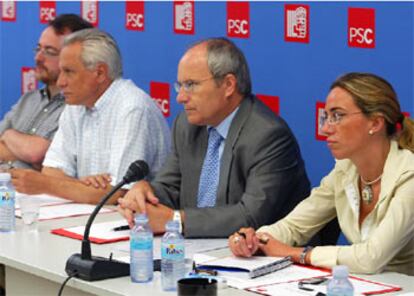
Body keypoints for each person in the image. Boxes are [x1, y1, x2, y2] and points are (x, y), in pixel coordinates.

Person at [118, 37, 311, 238]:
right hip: (201, 251)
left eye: (191, 85)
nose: (180, 97)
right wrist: (144, 194)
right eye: (180, 86)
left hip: (262, 255)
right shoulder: (187, 125)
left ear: (228, 85)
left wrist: (176, 221)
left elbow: (251, 216)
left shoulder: (267, 135)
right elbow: (170, 188)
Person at [229, 72, 414, 275]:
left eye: (337, 116)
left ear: (375, 123)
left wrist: (298, 254)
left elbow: (370, 258)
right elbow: (294, 226)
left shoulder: (409, 175)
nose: (325, 128)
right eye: (326, 117)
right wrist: (254, 239)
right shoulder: (345, 170)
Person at [10, 28, 171, 204]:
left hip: (135, 224)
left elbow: (118, 194)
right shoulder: (76, 104)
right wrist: (82, 186)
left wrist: (46, 185)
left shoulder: (132, 108)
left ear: (100, 73)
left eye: (69, 72)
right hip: (89, 216)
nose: (60, 82)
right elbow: (52, 171)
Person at [0, 14, 93, 170]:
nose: (38, 58)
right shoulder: (28, 99)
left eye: (49, 51)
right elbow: (34, 154)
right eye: (38, 49)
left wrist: (8, 135)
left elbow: (38, 154)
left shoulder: (80, 107)